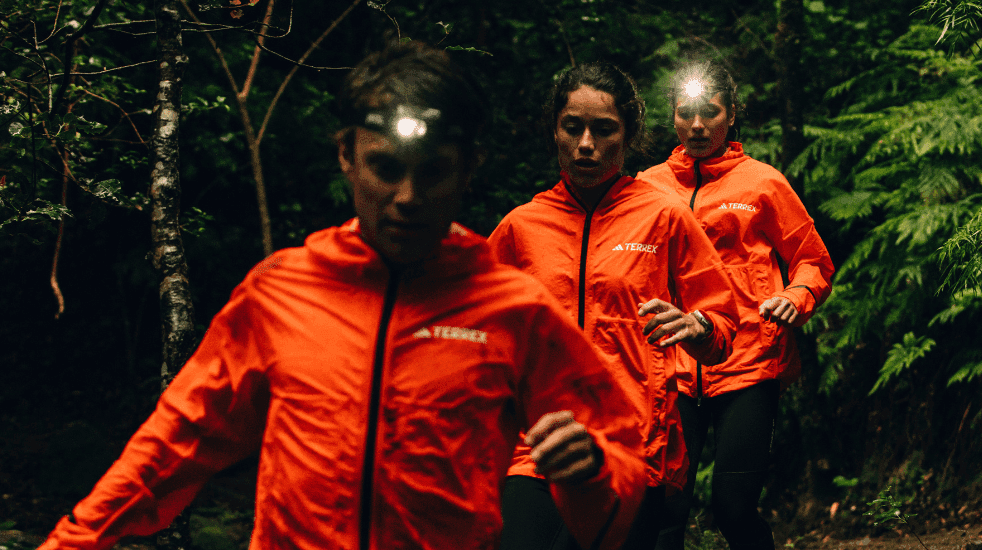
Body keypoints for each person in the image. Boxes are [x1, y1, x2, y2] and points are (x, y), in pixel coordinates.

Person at [36, 42, 646, 550]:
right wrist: (73, 541)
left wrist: (590, 474)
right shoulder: (282, 291)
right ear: (346, 155)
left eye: (433, 171)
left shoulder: (514, 311)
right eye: (386, 167)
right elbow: (174, 443)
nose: (407, 197)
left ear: (469, 168)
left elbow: (619, 455)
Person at [485, 62, 740, 550]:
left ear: (628, 135)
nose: (586, 144)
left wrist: (700, 327)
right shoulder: (521, 227)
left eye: (603, 130)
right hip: (535, 447)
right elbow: (474, 328)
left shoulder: (664, 216)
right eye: (572, 127)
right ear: (554, 130)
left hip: (631, 447)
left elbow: (723, 324)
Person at [637, 61, 835, 550]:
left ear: (731, 115)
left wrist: (795, 295)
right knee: (664, 512)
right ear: (673, 115)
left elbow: (812, 260)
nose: (697, 125)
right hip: (669, 368)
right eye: (686, 113)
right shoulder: (646, 187)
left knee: (734, 508)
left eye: (710, 112)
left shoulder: (763, 182)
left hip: (748, 361)